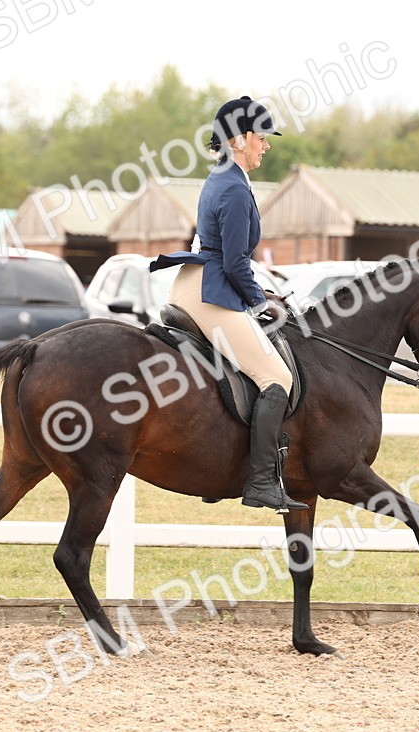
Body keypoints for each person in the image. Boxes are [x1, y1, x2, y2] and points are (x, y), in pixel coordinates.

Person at [151, 96, 306, 513]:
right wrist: (259, 303)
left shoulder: (222, 177)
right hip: (210, 292)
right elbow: (236, 262)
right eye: (260, 138)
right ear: (239, 139)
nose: (266, 146)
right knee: (276, 377)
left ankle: (216, 463)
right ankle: (259, 483)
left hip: (196, 284)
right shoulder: (234, 187)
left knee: (241, 368)